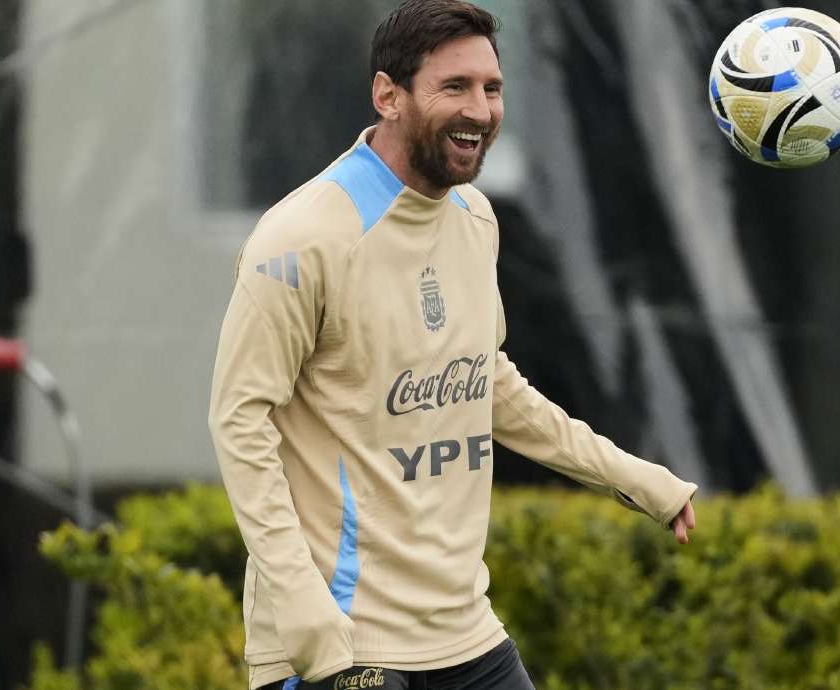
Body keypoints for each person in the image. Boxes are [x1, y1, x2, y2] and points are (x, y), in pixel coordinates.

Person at [207, 2, 698, 688]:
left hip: (465, 633)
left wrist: (633, 477)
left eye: (492, 89)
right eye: (454, 87)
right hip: (345, 641)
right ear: (389, 95)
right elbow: (240, 419)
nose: (480, 110)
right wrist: (301, 606)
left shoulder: (474, 219)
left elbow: (485, 383)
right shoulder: (301, 237)